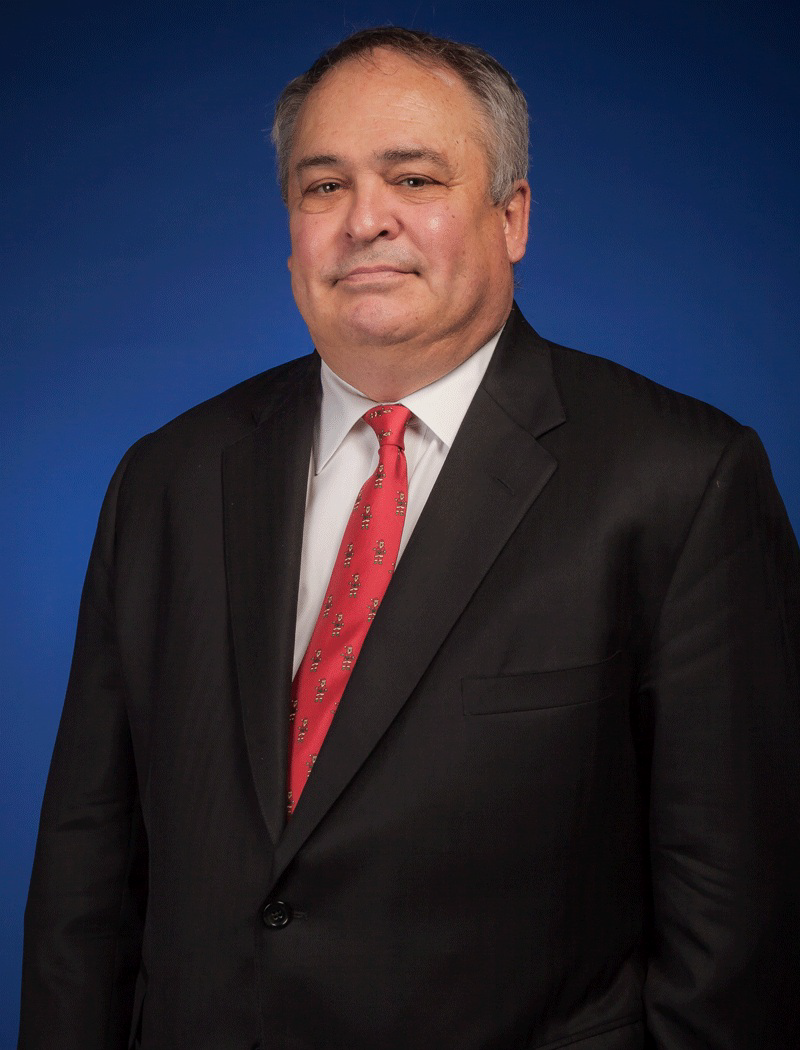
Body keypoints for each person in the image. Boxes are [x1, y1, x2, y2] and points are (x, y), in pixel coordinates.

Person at [19, 26, 800, 1050]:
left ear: (510, 215)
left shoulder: (679, 479)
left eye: (414, 178)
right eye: (322, 186)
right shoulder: (165, 478)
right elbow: (86, 874)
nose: (364, 221)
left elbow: (736, 923)